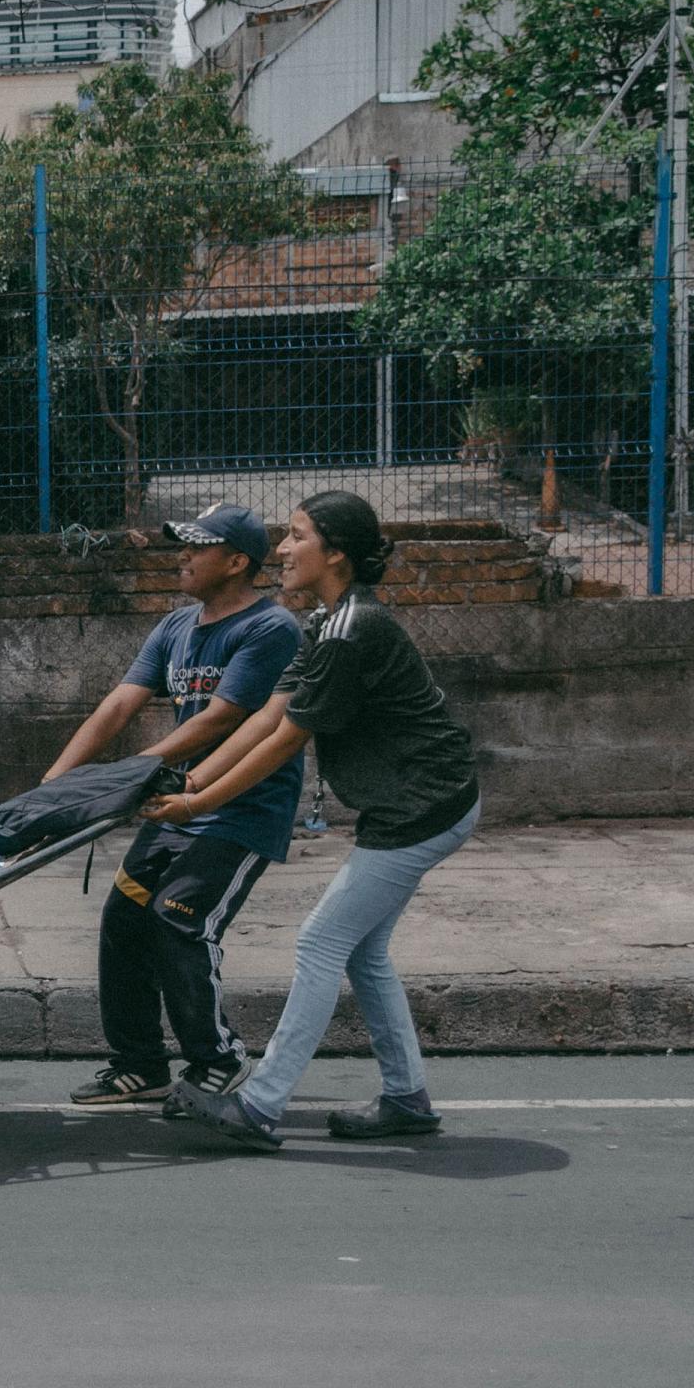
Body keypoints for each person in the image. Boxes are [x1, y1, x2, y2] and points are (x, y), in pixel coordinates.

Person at [142, 491, 481, 1149]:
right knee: (363, 952)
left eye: (297, 535)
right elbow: (266, 715)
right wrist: (192, 779)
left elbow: (284, 740)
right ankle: (406, 1096)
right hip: (411, 804)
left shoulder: (352, 632)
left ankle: (262, 1106)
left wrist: (197, 804)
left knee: (320, 942)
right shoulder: (330, 622)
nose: (283, 549)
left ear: (336, 554)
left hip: (423, 808)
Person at [43, 505, 307, 1107]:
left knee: (179, 916)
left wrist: (133, 774)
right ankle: (140, 1064)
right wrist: (54, 784)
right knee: (125, 917)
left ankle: (218, 1057)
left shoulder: (269, 630)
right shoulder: (175, 627)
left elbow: (222, 719)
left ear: (237, 562)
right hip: (174, 809)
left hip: (238, 809)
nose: (181, 557)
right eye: (181, 547)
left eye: (197, 548)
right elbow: (117, 706)